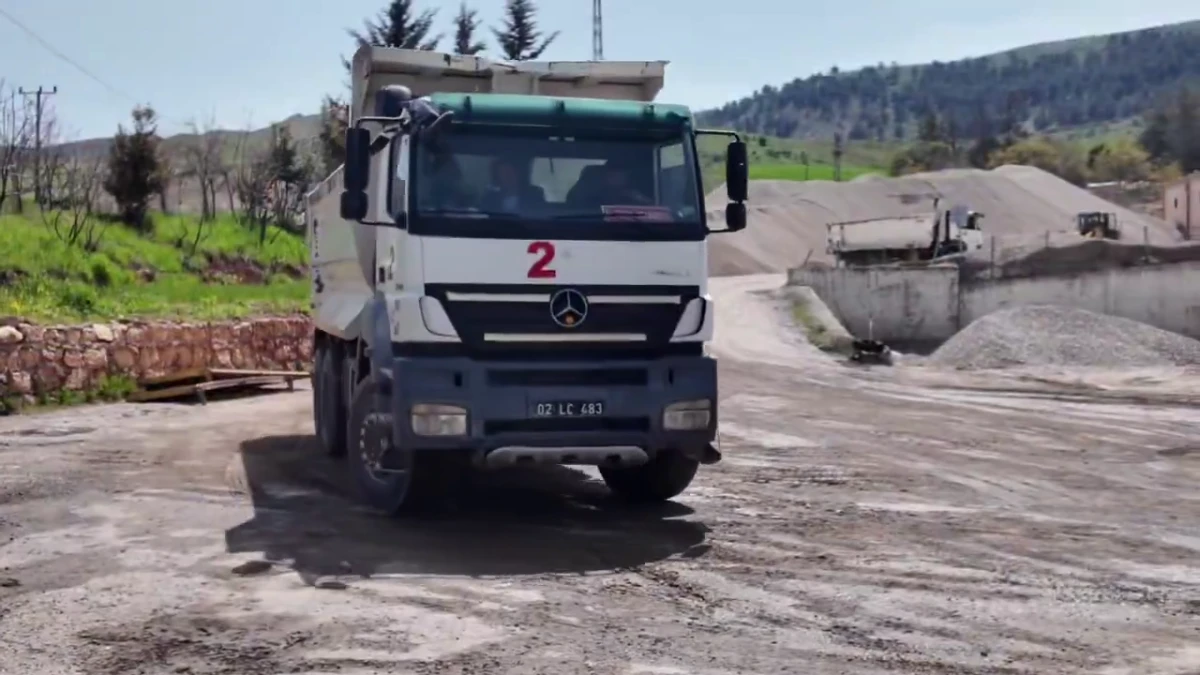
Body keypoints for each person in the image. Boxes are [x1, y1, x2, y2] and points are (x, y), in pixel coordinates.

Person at [480, 158, 546, 213]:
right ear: (497, 177)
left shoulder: (534, 196)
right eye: (503, 173)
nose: (508, 177)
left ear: (518, 173)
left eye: (510, 172)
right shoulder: (490, 199)